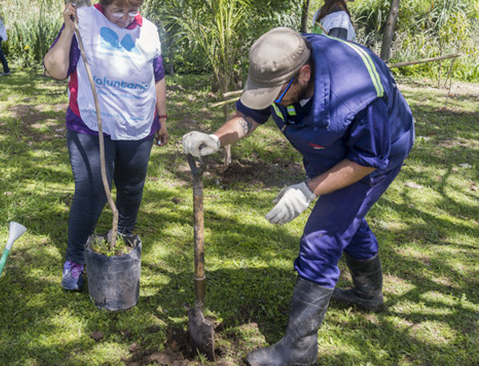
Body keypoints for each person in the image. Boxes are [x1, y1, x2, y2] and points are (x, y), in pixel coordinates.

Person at [182, 27, 414, 365]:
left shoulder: (360, 95)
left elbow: (368, 159)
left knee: (321, 238)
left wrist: (308, 190)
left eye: (277, 94)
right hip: (330, 148)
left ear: (304, 74)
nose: (272, 100)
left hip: (377, 153)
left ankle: (299, 350)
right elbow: (250, 115)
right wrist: (217, 138)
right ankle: (368, 293)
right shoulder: (278, 58)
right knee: (347, 218)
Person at [43, 0, 169, 291]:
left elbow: (157, 76)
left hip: (138, 125)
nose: (126, 17)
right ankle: (75, 260)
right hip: (91, 124)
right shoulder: (84, 21)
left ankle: (121, 239)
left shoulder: (148, 31)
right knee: (91, 192)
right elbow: (56, 70)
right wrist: (68, 29)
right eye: (118, 10)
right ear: (104, 4)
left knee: (131, 186)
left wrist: (162, 117)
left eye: (133, 8)